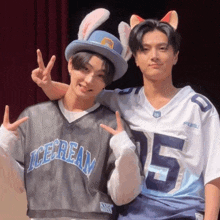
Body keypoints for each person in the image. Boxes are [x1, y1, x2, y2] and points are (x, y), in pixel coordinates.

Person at [32, 10, 220, 220]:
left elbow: (214, 177)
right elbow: (77, 95)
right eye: (145, 49)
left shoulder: (199, 108)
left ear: (175, 56)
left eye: (162, 48)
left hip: (182, 212)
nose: (154, 56)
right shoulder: (123, 100)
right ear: (136, 58)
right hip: (131, 213)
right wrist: (47, 85)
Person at [0, 8, 142, 220]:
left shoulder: (113, 125)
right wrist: (2, 148)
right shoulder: (34, 117)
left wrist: (125, 153)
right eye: (84, 69)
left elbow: (123, 196)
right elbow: (19, 185)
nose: (88, 80)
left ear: (107, 83)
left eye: (100, 76)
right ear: (70, 65)